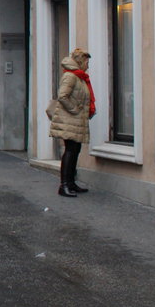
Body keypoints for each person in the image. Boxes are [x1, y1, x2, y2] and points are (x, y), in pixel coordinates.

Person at [49, 47, 94, 197]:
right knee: (70, 150)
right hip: (70, 119)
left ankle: (71, 183)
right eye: (87, 61)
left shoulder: (79, 77)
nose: (88, 65)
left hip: (75, 121)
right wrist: (75, 109)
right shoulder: (71, 76)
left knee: (75, 150)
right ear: (80, 61)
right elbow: (62, 96)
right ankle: (64, 185)